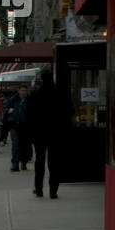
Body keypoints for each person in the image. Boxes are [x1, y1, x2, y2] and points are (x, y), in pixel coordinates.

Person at [24, 68, 72, 198]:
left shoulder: (35, 95)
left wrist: (30, 134)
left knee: (39, 161)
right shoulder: (61, 94)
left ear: (41, 79)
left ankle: (39, 189)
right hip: (56, 133)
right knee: (54, 162)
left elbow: (28, 116)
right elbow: (68, 113)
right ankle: (53, 190)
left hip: (39, 134)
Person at [3, 84, 31, 172]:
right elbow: (6, 111)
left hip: (26, 126)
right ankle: (15, 164)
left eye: (25, 91)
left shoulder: (30, 101)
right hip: (15, 125)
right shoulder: (13, 100)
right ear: (18, 91)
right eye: (22, 90)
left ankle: (24, 162)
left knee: (25, 145)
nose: (23, 92)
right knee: (15, 145)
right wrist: (9, 111)